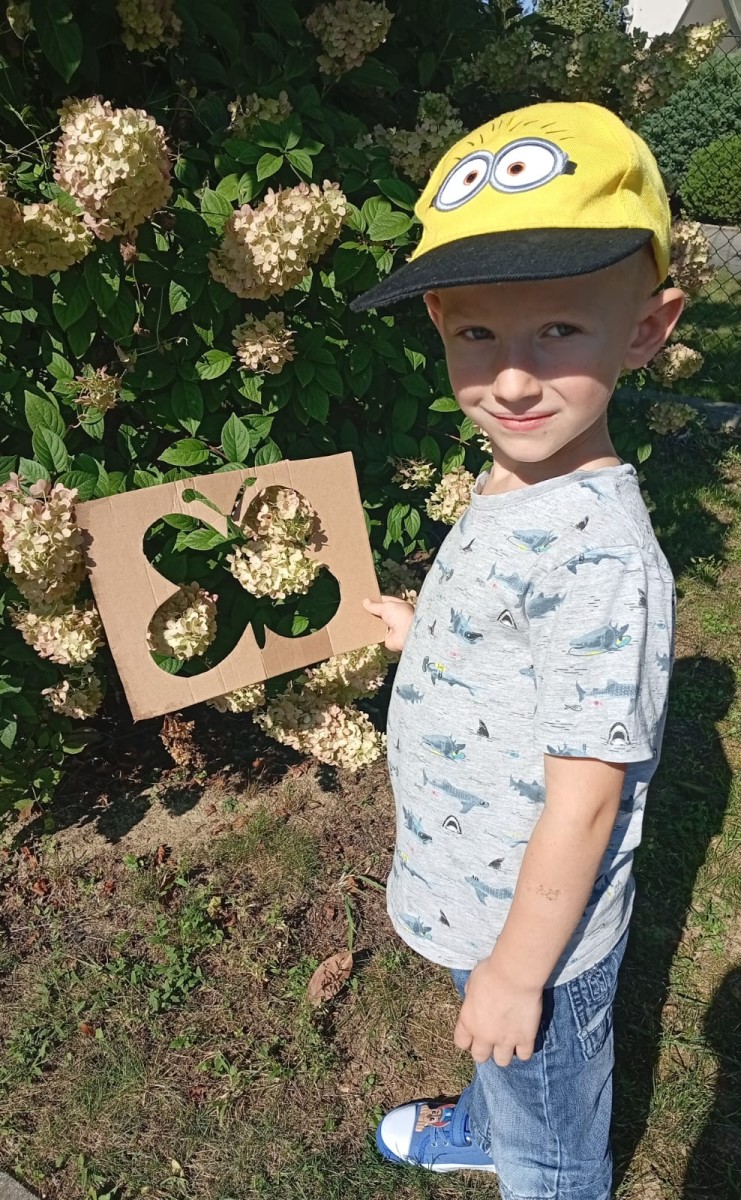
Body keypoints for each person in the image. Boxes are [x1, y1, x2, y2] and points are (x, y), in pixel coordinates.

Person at [355, 101, 685, 1200]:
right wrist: (427, 640)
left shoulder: (601, 558)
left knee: (548, 1119)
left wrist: (515, 970)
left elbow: (586, 802)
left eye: (558, 330)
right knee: (509, 1059)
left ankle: (531, 1164)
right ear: (440, 320)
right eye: (477, 337)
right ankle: (490, 1123)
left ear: (644, 329)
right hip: (477, 887)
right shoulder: (519, 474)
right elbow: (524, 647)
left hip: (536, 929)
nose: (509, 379)